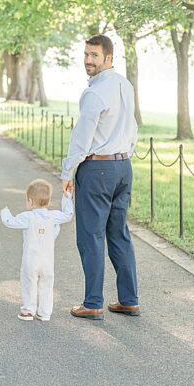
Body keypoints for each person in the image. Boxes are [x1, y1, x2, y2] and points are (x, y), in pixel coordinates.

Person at [62, 34, 140, 320]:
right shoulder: (125, 85)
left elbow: (82, 139)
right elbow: (132, 126)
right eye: (86, 54)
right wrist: (126, 153)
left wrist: (68, 171)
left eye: (94, 55)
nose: (88, 61)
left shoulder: (94, 93)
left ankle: (93, 302)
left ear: (109, 58)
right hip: (123, 167)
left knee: (91, 236)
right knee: (119, 234)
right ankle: (129, 299)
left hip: (97, 169)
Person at [0, 179, 74, 321]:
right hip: (48, 261)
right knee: (47, 284)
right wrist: (67, 198)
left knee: (29, 283)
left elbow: (9, 222)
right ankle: (44, 312)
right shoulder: (54, 216)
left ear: (30, 201)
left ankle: (28, 310)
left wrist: (5, 212)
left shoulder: (27, 217)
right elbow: (69, 215)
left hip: (31, 260)